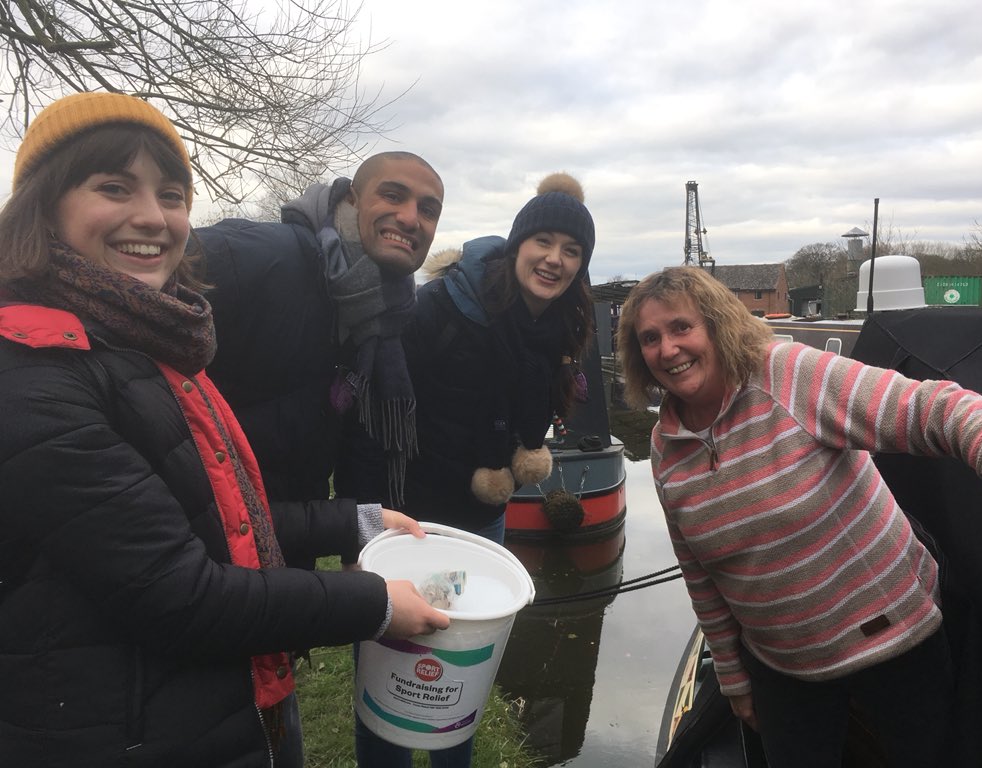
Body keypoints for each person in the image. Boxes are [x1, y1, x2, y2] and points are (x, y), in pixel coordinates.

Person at [0, 92, 449, 768]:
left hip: (226, 688)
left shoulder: (152, 347)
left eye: (172, 194)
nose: (152, 218)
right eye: (114, 187)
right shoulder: (36, 376)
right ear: (45, 204)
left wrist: (352, 522)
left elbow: (210, 516)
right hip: (123, 730)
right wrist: (374, 602)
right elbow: (179, 592)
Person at [614, 265, 982, 768]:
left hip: (894, 641)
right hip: (781, 664)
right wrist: (733, 679)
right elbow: (701, 574)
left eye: (681, 327)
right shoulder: (664, 449)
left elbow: (936, 410)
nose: (667, 349)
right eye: (650, 338)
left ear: (717, 324)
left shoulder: (786, 376)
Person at [345, 172, 597, 767]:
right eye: (544, 242)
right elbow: (372, 417)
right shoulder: (439, 308)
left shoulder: (561, 325)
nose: (554, 261)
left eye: (573, 251)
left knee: (458, 684)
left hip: (481, 525)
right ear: (518, 245)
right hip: (405, 522)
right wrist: (358, 529)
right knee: (388, 686)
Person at [197, 151, 444, 512]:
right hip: (202, 524)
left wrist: (357, 537)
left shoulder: (388, 315)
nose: (410, 218)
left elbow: (358, 439)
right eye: (393, 195)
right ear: (351, 199)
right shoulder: (263, 254)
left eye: (428, 210)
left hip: (291, 531)